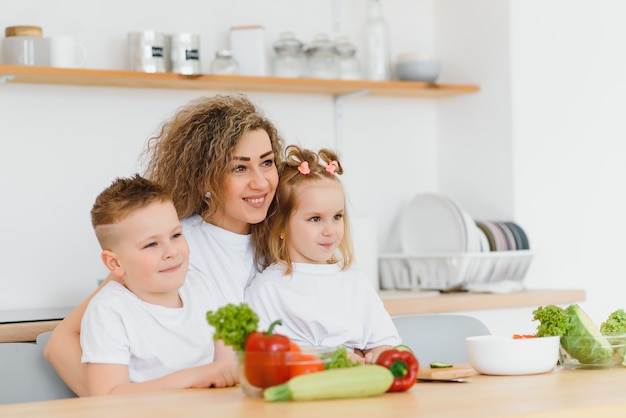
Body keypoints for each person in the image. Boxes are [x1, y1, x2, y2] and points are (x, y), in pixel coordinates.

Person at [44, 94, 285, 396]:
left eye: (267, 162)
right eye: (240, 168)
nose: (261, 182)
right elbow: (60, 343)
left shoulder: (286, 239)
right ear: (205, 178)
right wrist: (120, 404)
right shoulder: (173, 244)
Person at [81, 174, 237, 395]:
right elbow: (107, 396)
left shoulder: (202, 286)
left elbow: (226, 369)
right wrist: (194, 377)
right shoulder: (109, 310)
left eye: (175, 235)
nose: (171, 252)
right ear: (115, 263)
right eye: (152, 244)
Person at [244, 145, 401, 364]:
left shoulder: (354, 281)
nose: (330, 230)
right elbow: (258, 356)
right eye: (315, 219)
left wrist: (378, 355)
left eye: (337, 217)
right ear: (280, 226)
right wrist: (328, 358)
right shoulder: (267, 288)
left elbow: (385, 341)